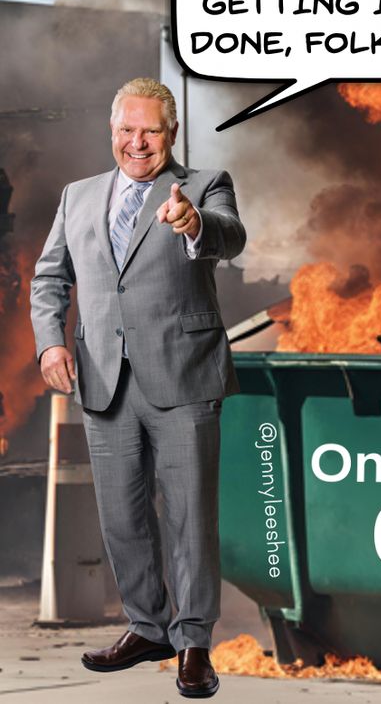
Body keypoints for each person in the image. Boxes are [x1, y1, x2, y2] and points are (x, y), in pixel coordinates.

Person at [30, 77, 246, 698]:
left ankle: (194, 643)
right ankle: (148, 626)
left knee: (189, 518)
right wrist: (50, 342)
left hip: (183, 376)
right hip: (102, 379)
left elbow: (230, 236)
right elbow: (50, 278)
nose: (137, 142)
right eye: (127, 129)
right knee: (122, 517)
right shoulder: (78, 196)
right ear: (112, 130)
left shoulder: (205, 185)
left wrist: (193, 221)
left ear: (172, 132)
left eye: (150, 130)